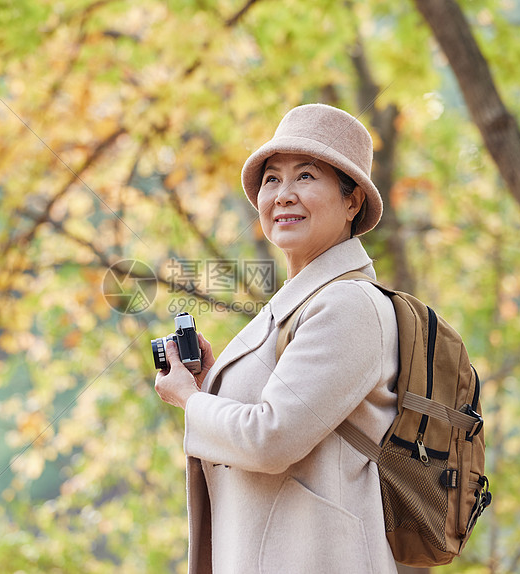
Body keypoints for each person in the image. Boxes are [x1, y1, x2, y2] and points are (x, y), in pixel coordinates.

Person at [155, 104, 399, 573]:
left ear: (352, 202)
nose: (283, 195)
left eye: (305, 176)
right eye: (272, 179)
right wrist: (209, 386)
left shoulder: (348, 304)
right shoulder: (298, 303)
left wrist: (190, 400)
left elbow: (271, 439)